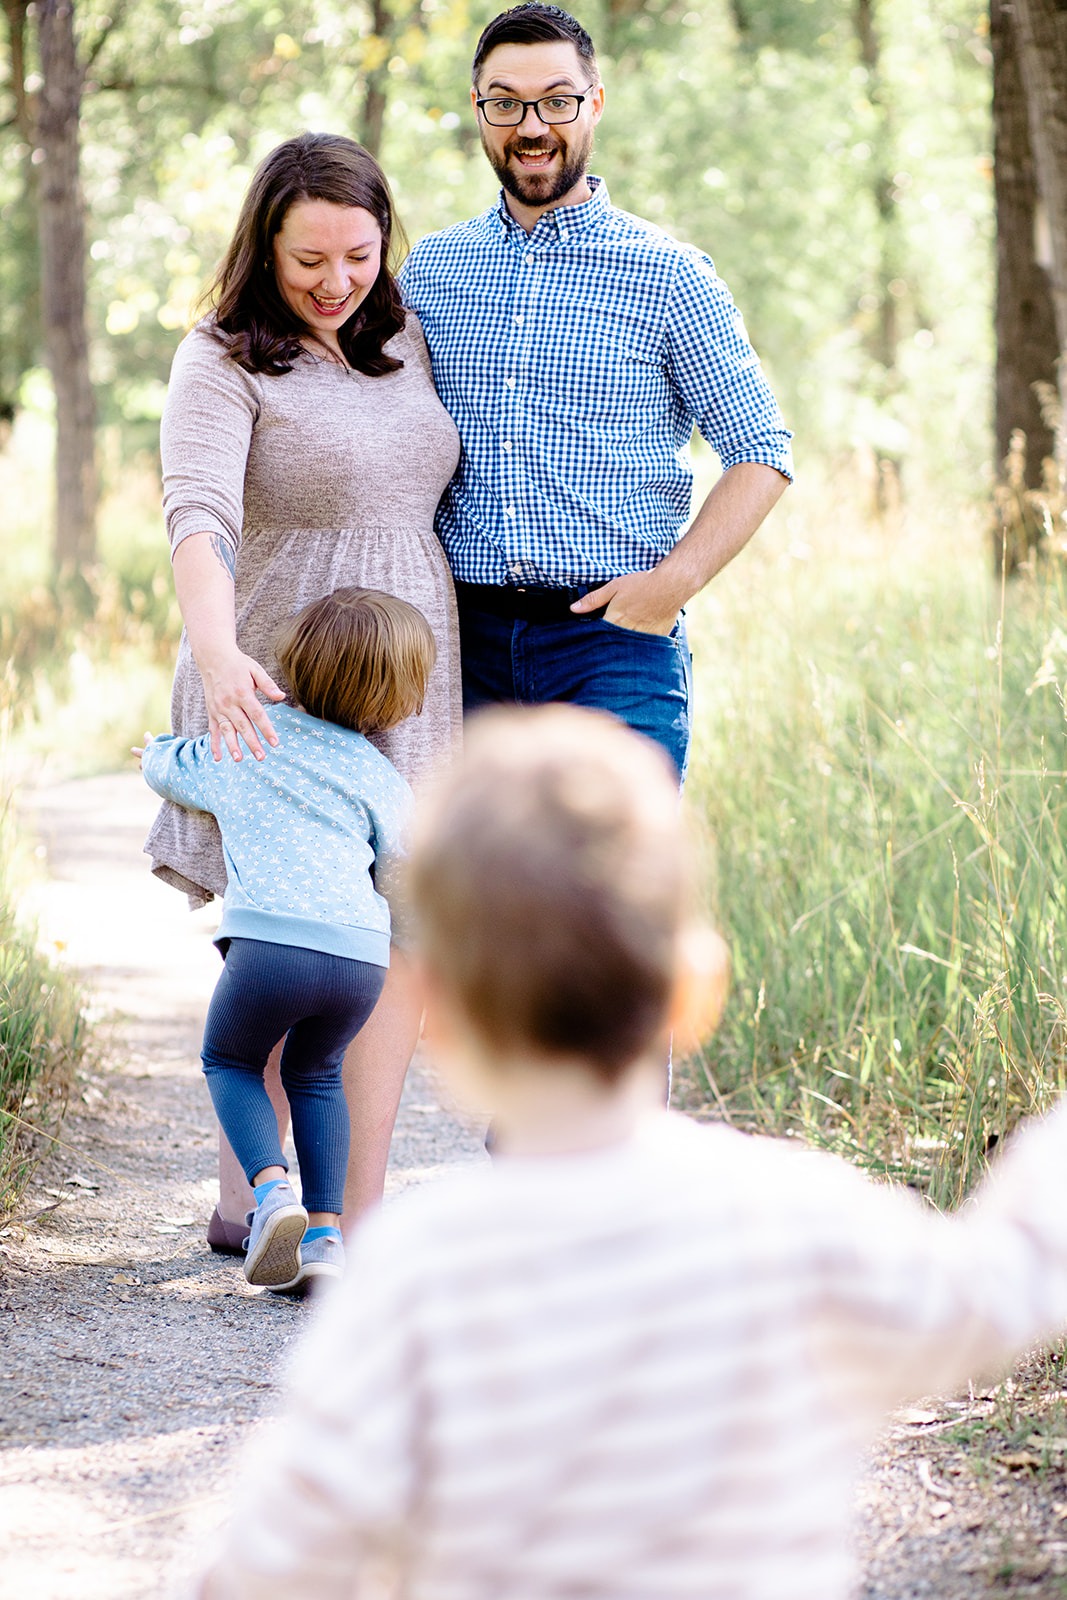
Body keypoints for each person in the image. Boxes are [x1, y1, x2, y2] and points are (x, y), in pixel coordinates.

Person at [196, 704, 1067, 1600]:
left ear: (443, 1026)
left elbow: (282, 1551)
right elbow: (1006, 1284)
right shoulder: (792, 1215)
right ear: (695, 995)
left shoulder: (417, 1273)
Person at [144, 131, 462, 1252]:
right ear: (262, 248)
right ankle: (256, 1196)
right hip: (271, 675)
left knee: (399, 930)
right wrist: (219, 651)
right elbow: (198, 515)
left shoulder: (410, 338)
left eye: (358, 257)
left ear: (386, 243)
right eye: (306, 262)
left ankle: (350, 1212)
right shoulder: (220, 359)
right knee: (288, 919)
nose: (335, 283)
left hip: (405, 677)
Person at [400, 2, 794, 781]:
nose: (532, 125)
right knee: (478, 898)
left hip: (612, 647)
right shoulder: (432, 273)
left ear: (594, 104)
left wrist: (669, 587)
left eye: (556, 100)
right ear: (478, 111)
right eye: (505, 103)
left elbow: (761, 451)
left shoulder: (670, 276)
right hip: (460, 646)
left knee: (609, 896)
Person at [139, 588, 434, 1294]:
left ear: (290, 665)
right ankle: (327, 1237)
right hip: (359, 959)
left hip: (271, 950)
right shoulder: (382, 776)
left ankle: (272, 1197)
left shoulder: (250, 739)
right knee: (318, 1074)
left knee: (230, 1059)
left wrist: (155, 748)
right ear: (394, 702)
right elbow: (403, 875)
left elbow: (169, 769)